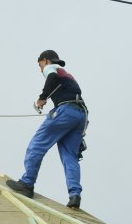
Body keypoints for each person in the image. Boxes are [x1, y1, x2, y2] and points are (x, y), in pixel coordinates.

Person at [6, 50, 88, 209]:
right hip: (81, 115)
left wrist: (42, 98)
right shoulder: (68, 75)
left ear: (45, 60)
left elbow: (51, 77)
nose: (40, 69)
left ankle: (27, 183)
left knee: (37, 145)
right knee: (70, 156)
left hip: (65, 112)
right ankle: (75, 195)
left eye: (40, 65)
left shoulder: (52, 68)